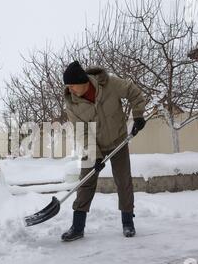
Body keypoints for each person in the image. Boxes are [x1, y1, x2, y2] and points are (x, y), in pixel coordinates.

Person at [62, 60, 146, 241]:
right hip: (93, 145)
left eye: (72, 85)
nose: (70, 89)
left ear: (83, 81)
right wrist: (96, 156)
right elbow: (82, 132)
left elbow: (133, 91)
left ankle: (127, 222)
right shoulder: (72, 104)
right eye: (67, 86)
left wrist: (138, 115)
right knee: (85, 182)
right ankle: (77, 227)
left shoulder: (109, 84)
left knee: (123, 180)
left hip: (118, 140)